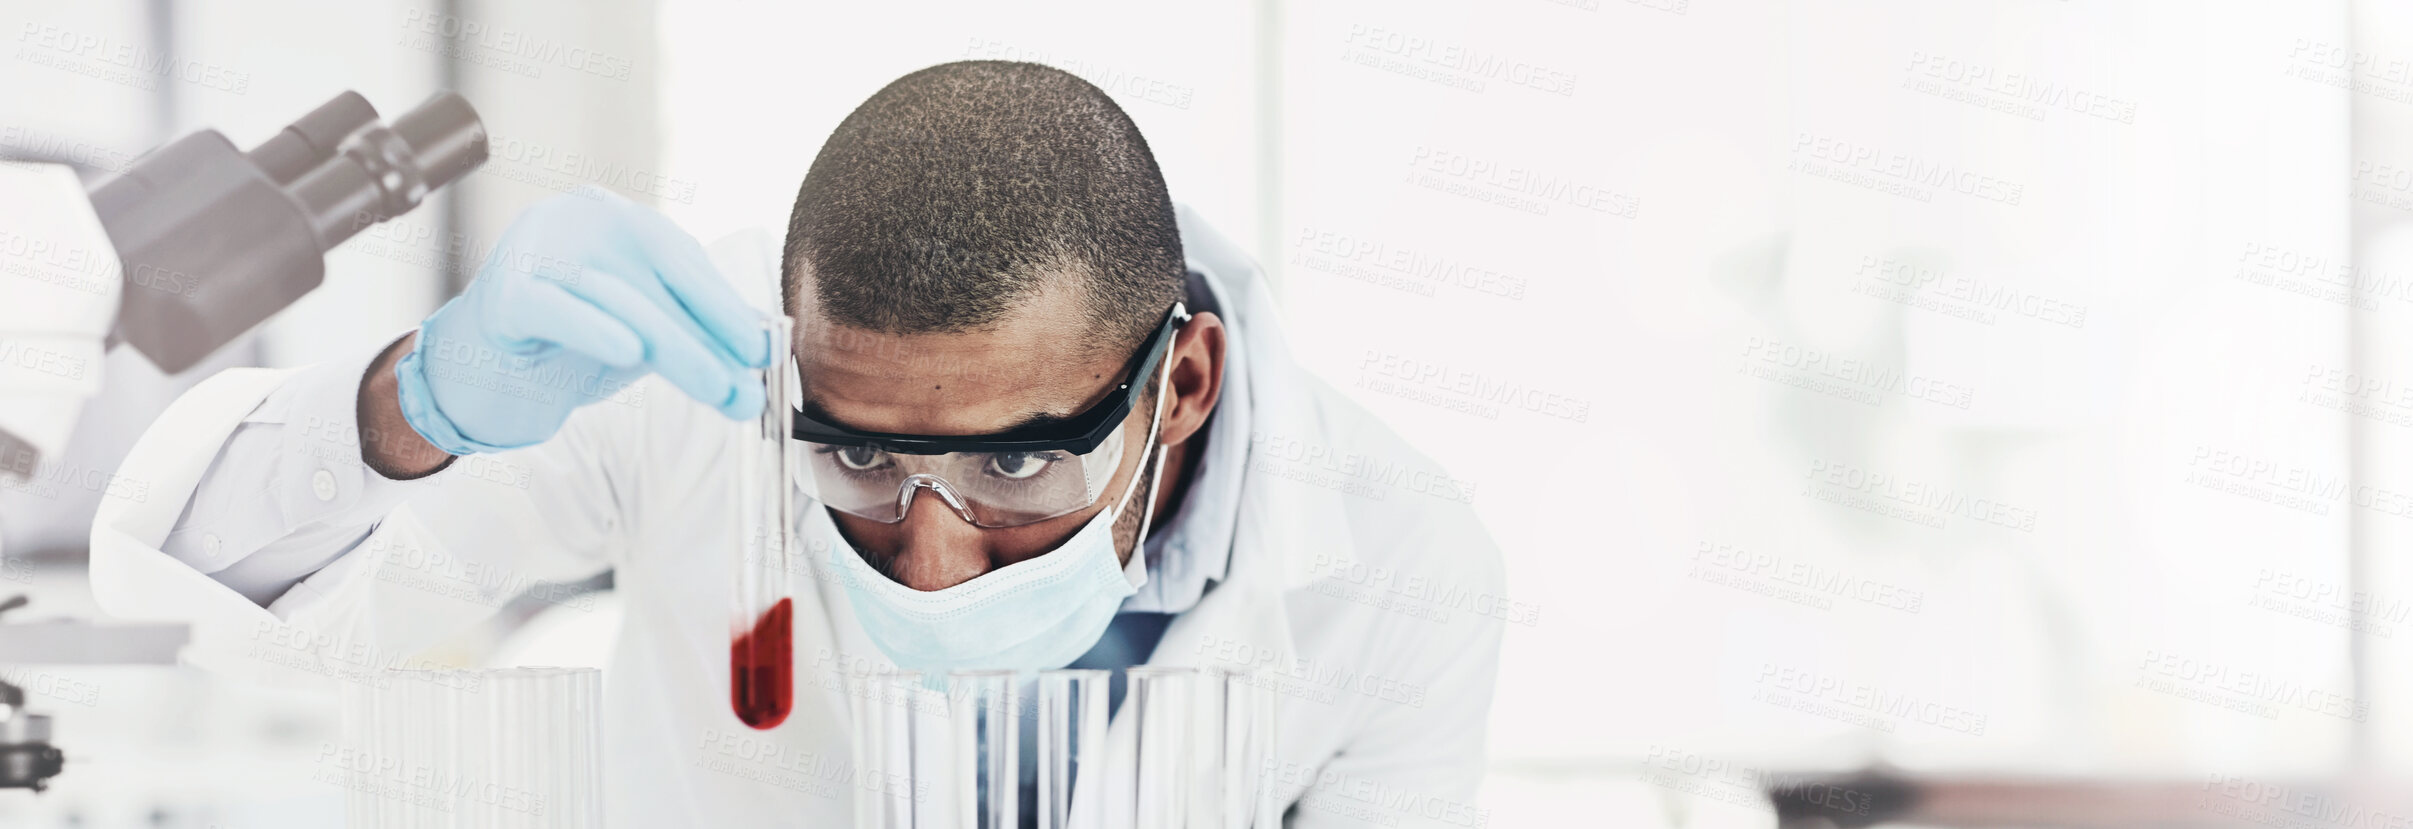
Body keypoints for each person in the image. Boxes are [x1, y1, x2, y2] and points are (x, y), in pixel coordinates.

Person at [91, 61, 1504, 827]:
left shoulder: (1398, 554)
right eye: (859, 461)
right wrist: (421, 402)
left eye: (1018, 466)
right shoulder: (681, 374)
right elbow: (226, 615)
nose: (932, 558)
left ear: (1180, 381)